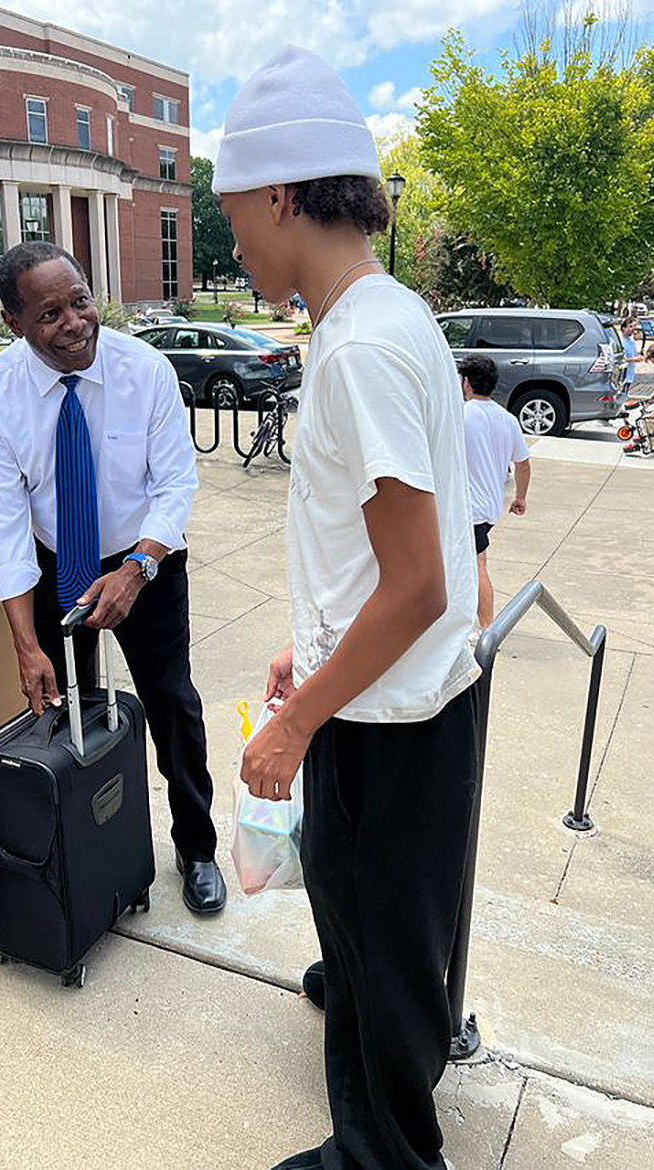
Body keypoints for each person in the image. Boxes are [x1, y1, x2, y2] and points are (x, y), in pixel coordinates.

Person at [217, 46, 477, 1170]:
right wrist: (309, 644)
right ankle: (378, 1033)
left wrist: (295, 718)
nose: (232, 239)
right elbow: (391, 559)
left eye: (234, 214)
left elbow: (416, 583)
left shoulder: (359, 347)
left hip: (382, 722)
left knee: (376, 927)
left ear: (281, 195)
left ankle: (380, 1155)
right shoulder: (385, 316)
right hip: (397, 697)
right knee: (378, 934)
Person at [0, 241, 226, 915]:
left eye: (80, 301)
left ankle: (196, 846)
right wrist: (26, 645)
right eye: (49, 313)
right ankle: (82, 848)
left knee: (172, 704)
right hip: (58, 564)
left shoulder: (145, 370)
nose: (74, 323)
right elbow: (5, 528)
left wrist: (138, 568)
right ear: (13, 320)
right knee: (63, 713)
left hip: (147, 555)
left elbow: (174, 485)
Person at [460, 355, 531, 629]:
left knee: (476, 566)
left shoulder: (461, 416)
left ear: (466, 383)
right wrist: (520, 497)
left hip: (467, 509)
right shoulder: (508, 419)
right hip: (490, 507)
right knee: (474, 561)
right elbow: (522, 464)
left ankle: (487, 629)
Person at [619, 316, 645, 395]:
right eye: (630, 326)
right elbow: (619, 359)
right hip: (623, 376)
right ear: (623, 328)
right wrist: (634, 359)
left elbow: (635, 354)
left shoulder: (631, 341)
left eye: (634, 326)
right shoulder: (621, 342)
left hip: (630, 375)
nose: (633, 329)